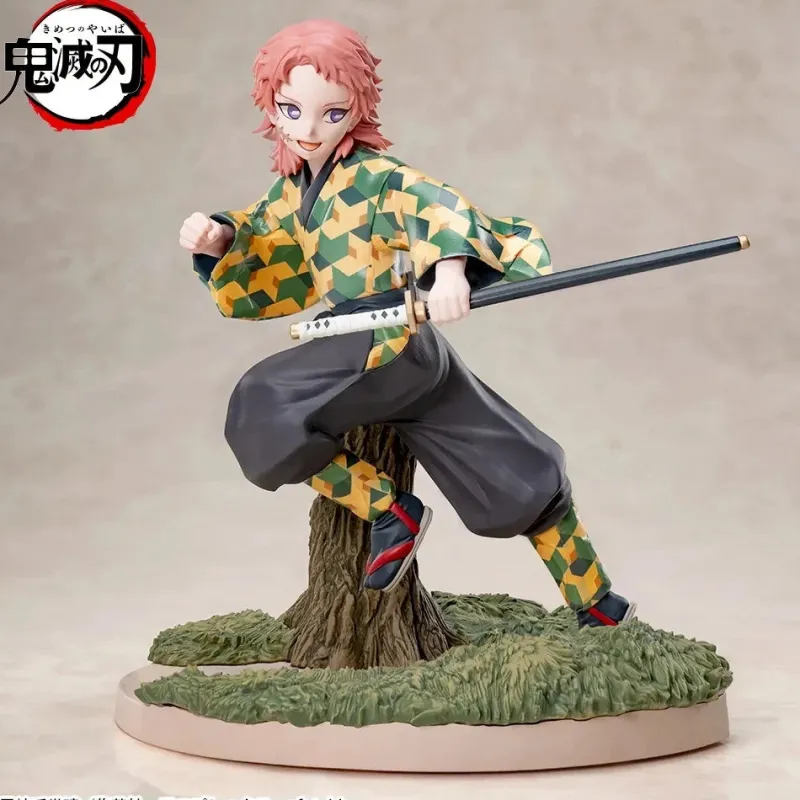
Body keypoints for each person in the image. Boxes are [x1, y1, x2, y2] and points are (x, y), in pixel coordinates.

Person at [178, 18, 635, 627]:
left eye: (331, 113)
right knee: (507, 462)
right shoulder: (292, 192)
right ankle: (598, 602)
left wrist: (449, 273)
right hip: (397, 349)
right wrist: (222, 239)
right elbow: (265, 242)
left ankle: (390, 512)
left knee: (261, 403)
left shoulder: (374, 176)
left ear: (358, 107)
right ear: (271, 107)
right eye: (290, 111)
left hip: (383, 342)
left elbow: (433, 205)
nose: (308, 130)